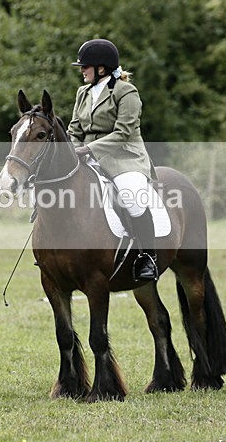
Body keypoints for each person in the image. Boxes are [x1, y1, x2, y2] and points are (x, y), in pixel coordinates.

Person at [66, 38, 158, 281]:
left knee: (131, 196)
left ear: (102, 68)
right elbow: (74, 129)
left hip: (124, 157)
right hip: (87, 157)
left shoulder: (126, 92)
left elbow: (123, 133)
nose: (82, 71)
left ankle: (147, 257)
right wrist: (74, 150)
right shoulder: (83, 93)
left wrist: (87, 150)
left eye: (85, 67)